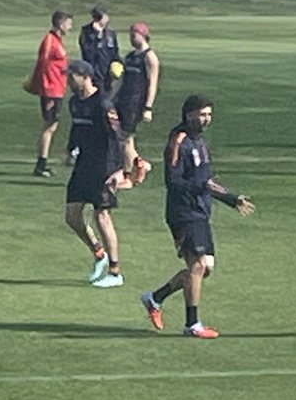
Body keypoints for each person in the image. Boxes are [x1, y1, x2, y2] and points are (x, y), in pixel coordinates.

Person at [139, 95, 255, 338]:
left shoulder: (201, 143)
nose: (206, 119)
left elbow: (207, 181)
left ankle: (155, 297)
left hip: (201, 212)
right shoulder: (179, 141)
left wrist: (231, 199)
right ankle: (192, 324)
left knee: (205, 269)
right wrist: (198, 187)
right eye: (202, 114)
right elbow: (173, 181)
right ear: (189, 114)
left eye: (209, 115)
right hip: (183, 212)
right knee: (198, 265)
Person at [63, 60, 125, 288]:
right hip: (83, 165)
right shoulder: (74, 103)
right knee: (71, 216)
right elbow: (76, 128)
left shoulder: (103, 104)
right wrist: (70, 149)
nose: (68, 81)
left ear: (85, 77)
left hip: (104, 166)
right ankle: (99, 253)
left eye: (71, 77)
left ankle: (115, 272)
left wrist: (119, 170)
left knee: (102, 216)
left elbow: (117, 137)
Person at [112, 22, 160, 186]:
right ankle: (140, 165)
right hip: (123, 102)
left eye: (134, 35)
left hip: (136, 104)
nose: (131, 38)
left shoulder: (149, 57)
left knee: (124, 138)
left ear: (143, 35)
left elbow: (152, 83)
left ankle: (127, 176)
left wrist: (148, 107)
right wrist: (110, 98)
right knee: (126, 140)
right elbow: (122, 80)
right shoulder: (130, 57)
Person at [26, 10, 73, 176]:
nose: (70, 26)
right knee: (49, 125)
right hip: (51, 90)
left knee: (53, 126)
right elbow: (43, 64)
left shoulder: (58, 41)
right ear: (60, 24)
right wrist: (40, 86)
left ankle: (42, 162)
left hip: (57, 89)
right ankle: (41, 163)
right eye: (68, 23)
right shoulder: (49, 40)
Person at [78, 5, 120, 91]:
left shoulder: (111, 33)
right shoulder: (86, 32)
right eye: (96, 17)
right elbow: (87, 52)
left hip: (107, 76)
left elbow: (115, 53)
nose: (98, 19)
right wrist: (97, 36)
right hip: (92, 75)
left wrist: (117, 66)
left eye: (100, 17)